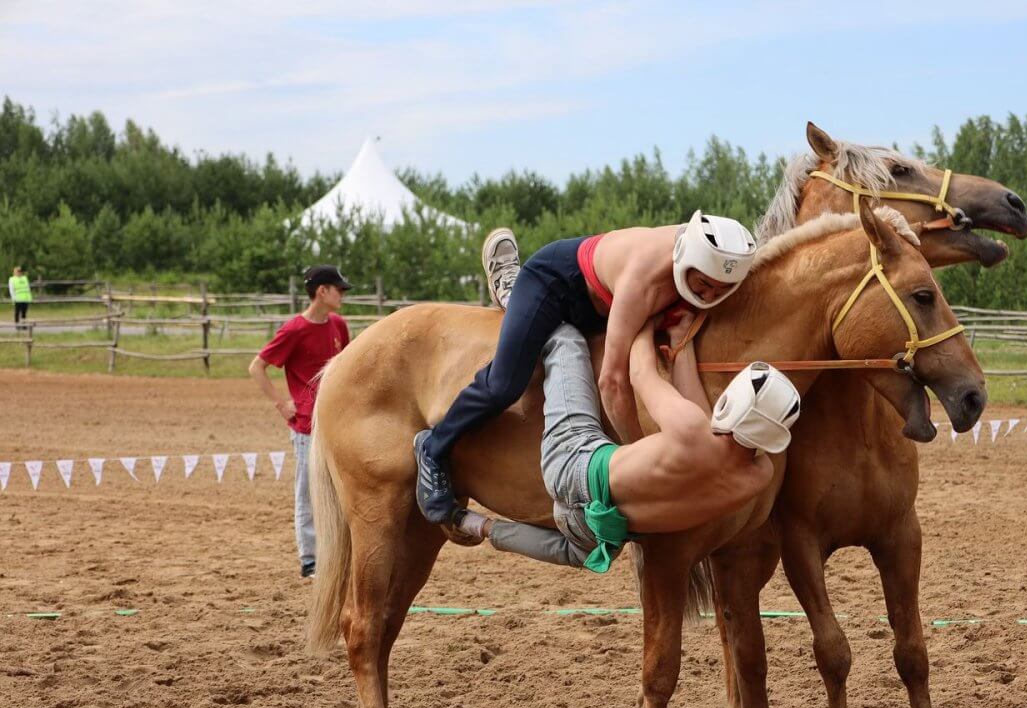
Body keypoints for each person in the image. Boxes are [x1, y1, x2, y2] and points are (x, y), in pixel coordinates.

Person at [414, 212, 758, 525]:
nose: (709, 296)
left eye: (721, 290)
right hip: (555, 285)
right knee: (506, 384)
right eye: (702, 285)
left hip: (602, 300)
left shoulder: (714, 265)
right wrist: (642, 460)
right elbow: (612, 382)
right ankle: (434, 445)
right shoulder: (644, 280)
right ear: (687, 264)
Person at [449, 312, 801, 573]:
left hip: (571, 467)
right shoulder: (759, 475)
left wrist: (645, 320)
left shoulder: (692, 429)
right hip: (601, 529)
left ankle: (512, 293)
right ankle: (479, 526)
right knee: (581, 553)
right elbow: (710, 426)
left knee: (564, 338)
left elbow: (639, 374)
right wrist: (683, 345)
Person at [249, 265, 352, 578]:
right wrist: (281, 404)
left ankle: (333, 555)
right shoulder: (294, 329)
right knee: (307, 492)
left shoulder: (338, 325)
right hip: (307, 427)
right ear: (322, 291)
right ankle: (310, 559)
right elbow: (257, 366)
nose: (342, 294)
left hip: (336, 422)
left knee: (338, 491)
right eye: (338, 289)